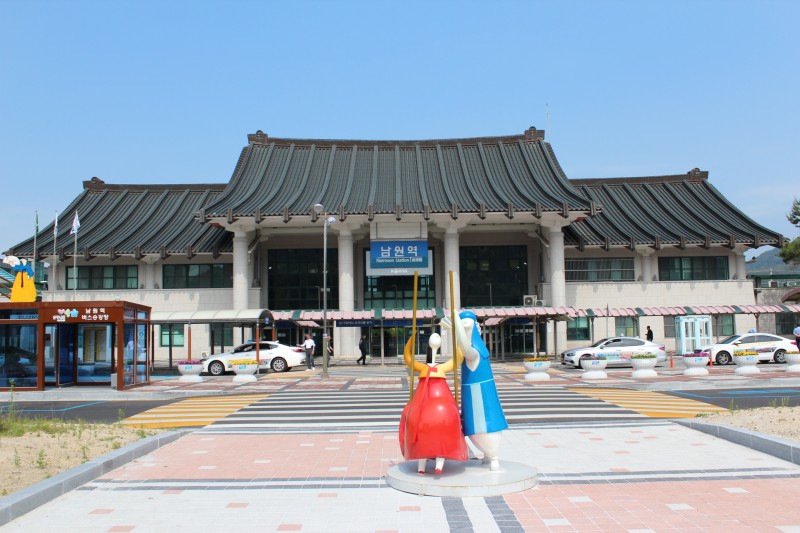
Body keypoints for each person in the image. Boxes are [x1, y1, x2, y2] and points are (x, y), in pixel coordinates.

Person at [398, 332, 467, 474]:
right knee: (421, 430)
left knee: (440, 430)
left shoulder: (438, 368)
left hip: (437, 404)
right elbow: (408, 358)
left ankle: (435, 464)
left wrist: (458, 335)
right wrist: (411, 338)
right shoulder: (427, 368)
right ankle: (423, 465)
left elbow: (459, 357)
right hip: (426, 403)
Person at [452, 309, 508, 471]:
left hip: (481, 392)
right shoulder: (475, 350)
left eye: (466, 322)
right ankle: (488, 455)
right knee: (472, 424)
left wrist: (456, 321)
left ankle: (493, 456)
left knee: (484, 423)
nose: (464, 325)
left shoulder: (476, 350)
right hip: (470, 392)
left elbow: (465, 348)